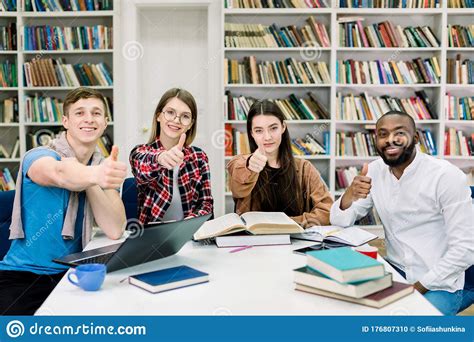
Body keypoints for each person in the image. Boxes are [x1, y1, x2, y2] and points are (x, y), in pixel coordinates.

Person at [330, 110, 474, 315]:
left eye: (399, 133)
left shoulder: (445, 176)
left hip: (440, 282)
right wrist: (349, 196)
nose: (390, 140)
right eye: (382, 134)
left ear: (415, 138)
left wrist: (415, 289)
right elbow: (339, 221)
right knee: (342, 308)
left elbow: (466, 249)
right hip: (394, 271)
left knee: (409, 328)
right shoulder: (373, 171)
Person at [0, 87, 127, 315]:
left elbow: (115, 228)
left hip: (72, 274)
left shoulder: (100, 168)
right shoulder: (38, 156)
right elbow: (59, 173)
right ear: (65, 121)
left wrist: (92, 177)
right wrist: (94, 175)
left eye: (96, 113)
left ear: (105, 122)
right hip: (23, 276)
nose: (89, 119)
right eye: (80, 113)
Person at [227, 100, 332, 228]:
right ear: (251, 133)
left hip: (297, 243)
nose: (267, 137)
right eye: (259, 130)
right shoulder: (241, 164)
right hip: (255, 244)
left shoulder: (305, 168)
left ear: (283, 127)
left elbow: (326, 211)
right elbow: (238, 187)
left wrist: (287, 223)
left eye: (273, 128)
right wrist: (250, 165)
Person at [130, 88, 213, 224]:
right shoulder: (139, 152)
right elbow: (143, 167)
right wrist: (161, 158)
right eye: (170, 112)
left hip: (189, 236)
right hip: (152, 239)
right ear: (158, 116)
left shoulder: (199, 157)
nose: (176, 120)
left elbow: (206, 203)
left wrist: (193, 221)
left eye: (185, 116)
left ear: (190, 124)